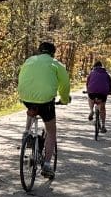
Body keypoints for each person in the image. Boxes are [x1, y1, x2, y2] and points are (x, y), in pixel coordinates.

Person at [17, 41, 71, 177]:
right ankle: (47, 165)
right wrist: (64, 100)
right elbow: (64, 85)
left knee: (32, 106)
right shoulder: (56, 64)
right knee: (51, 131)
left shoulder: (29, 61)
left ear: (39, 51)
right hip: (46, 101)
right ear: (53, 53)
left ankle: (27, 132)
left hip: (26, 97)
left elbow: (22, 77)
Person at [85, 61, 111, 132]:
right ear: (102, 66)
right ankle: (103, 126)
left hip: (92, 93)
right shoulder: (106, 74)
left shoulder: (91, 73)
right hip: (103, 94)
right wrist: (110, 92)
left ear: (94, 67)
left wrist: (88, 90)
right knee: (102, 108)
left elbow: (87, 83)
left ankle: (91, 111)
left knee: (90, 97)